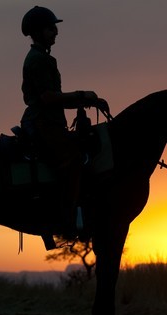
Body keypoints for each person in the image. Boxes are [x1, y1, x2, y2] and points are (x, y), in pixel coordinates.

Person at [19, 6, 109, 240]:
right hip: (43, 122)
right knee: (74, 159)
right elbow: (48, 98)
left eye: (55, 27)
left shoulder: (44, 57)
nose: (56, 32)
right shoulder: (38, 60)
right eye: (51, 28)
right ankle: (66, 221)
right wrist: (83, 96)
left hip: (50, 120)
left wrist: (87, 101)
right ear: (38, 32)